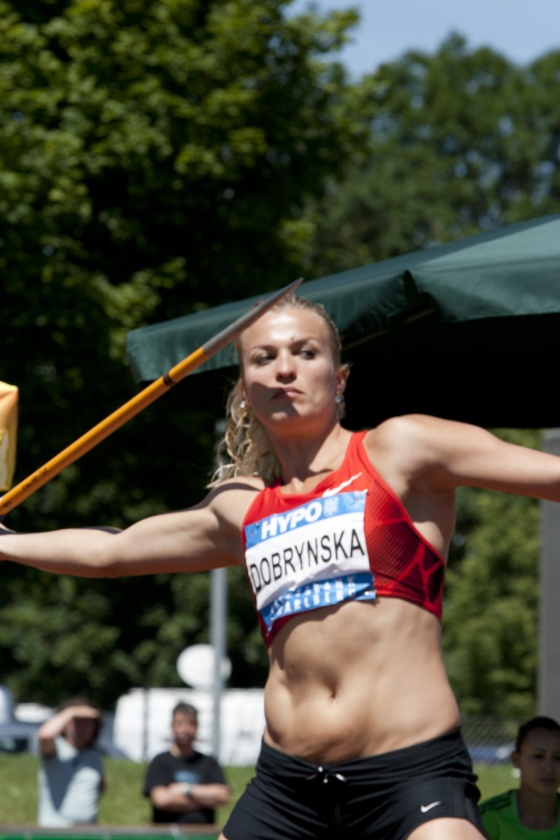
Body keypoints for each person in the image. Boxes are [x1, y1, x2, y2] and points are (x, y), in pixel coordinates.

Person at [3, 293, 560, 838]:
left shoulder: (402, 451)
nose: (285, 369)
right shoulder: (242, 506)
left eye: (305, 353)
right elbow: (111, 551)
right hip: (287, 789)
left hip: (408, 774)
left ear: (339, 378)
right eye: (264, 358)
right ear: (245, 390)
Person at [143, 701, 230, 824]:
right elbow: (161, 800)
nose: (185, 729)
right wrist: (204, 800)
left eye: (191, 723)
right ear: (172, 726)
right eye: (180, 723)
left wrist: (186, 789)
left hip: (202, 835)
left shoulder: (209, 762)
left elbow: (223, 795)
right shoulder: (160, 761)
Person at [480, 716, 560, 838]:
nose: (548, 768)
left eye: (557, 758)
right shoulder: (489, 816)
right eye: (538, 756)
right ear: (516, 760)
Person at [37, 696, 105, 827]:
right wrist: (71, 711)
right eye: (77, 722)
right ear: (65, 724)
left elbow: (100, 786)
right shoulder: (55, 748)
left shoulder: (94, 754)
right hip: (55, 831)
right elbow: (45, 735)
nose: (82, 727)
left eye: (87, 722)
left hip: (88, 831)